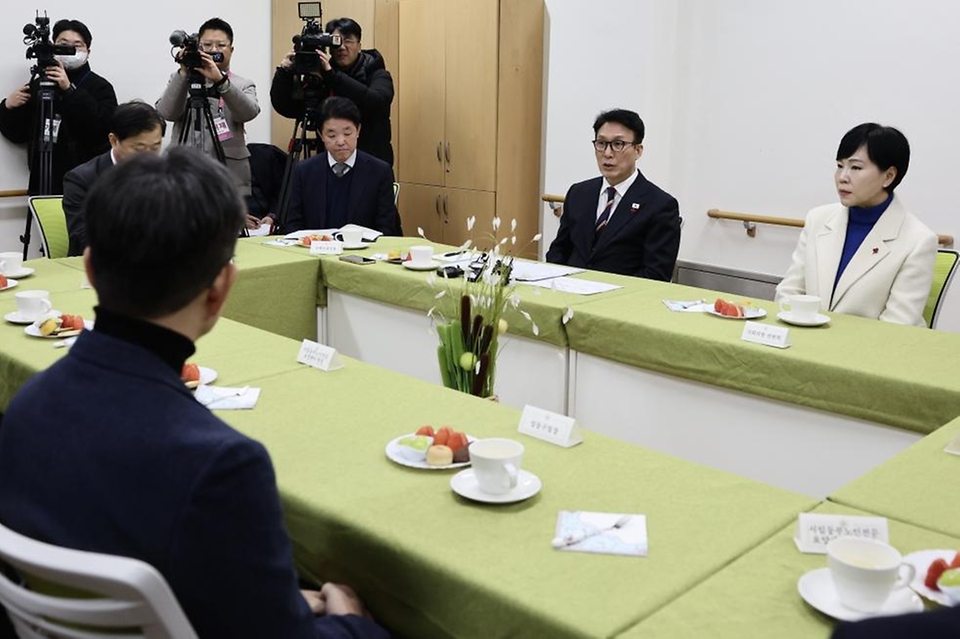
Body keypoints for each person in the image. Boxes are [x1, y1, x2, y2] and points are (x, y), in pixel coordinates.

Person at [0, 147, 390, 639]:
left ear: (91, 269)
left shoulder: (24, 407)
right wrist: (351, 623)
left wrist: (283, 602)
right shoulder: (221, 466)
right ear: (221, 289)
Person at [775, 123, 937, 326]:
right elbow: (790, 291)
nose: (842, 177)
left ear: (889, 176)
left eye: (856, 168)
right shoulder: (818, 219)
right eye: (840, 166)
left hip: (870, 353)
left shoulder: (918, 241)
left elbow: (897, 325)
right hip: (805, 343)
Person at [545, 108, 681, 281]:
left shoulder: (660, 205)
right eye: (601, 144)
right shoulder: (579, 193)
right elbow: (559, 250)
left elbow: (656, 274)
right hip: (568, 294)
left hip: (620, 302)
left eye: (618, 144)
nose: (607, 153)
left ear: (638, 150)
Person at [156, 16, 261, 228]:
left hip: (227, 174)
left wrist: (221, 82)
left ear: (231, 50)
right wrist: (184, 71)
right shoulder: (181, 79)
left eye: (221, 45)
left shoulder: (242, 84)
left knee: (225, 237)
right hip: (183, 173)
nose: (214, 49)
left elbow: (248, 113)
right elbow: (166, 112)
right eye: (207, 45)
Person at [0, 18, 117, 195]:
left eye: (77, 46)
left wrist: (69, 90)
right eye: (63, 45)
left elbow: (103, 131)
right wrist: (7, 107)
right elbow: (18, 133)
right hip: (44, 179)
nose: (70, 51)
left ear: (88, 51)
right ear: (53, 47)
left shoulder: (100, 87)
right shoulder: (40, 85)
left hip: (87, 182)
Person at [271, 17, 394, 166]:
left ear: (359, 45)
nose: (342, 47)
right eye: (336, 42)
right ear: (328, 46)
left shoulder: (377, 73)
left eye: (348, 41)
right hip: (331, 164)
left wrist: (332, 75)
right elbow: (286, 107)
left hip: (371, 162)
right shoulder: (322, 77)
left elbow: (376, 101)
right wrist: (284, 73)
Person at [283, 96, 401, 235]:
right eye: (331, 135)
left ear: (358, 131)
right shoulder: (304, 171)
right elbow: (293, 225)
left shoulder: (379, 171)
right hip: (316, 251)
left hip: (363, 253)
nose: (340, 141)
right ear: (321, 135)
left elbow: (387, 229)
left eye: (347, 133)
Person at [63, 100, 165, 256]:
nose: (148, 156)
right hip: (103, 269)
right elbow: (82, 240)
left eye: (155, 147)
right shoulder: (82, 180)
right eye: (139, 148)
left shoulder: (166, 174)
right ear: (114, 141)